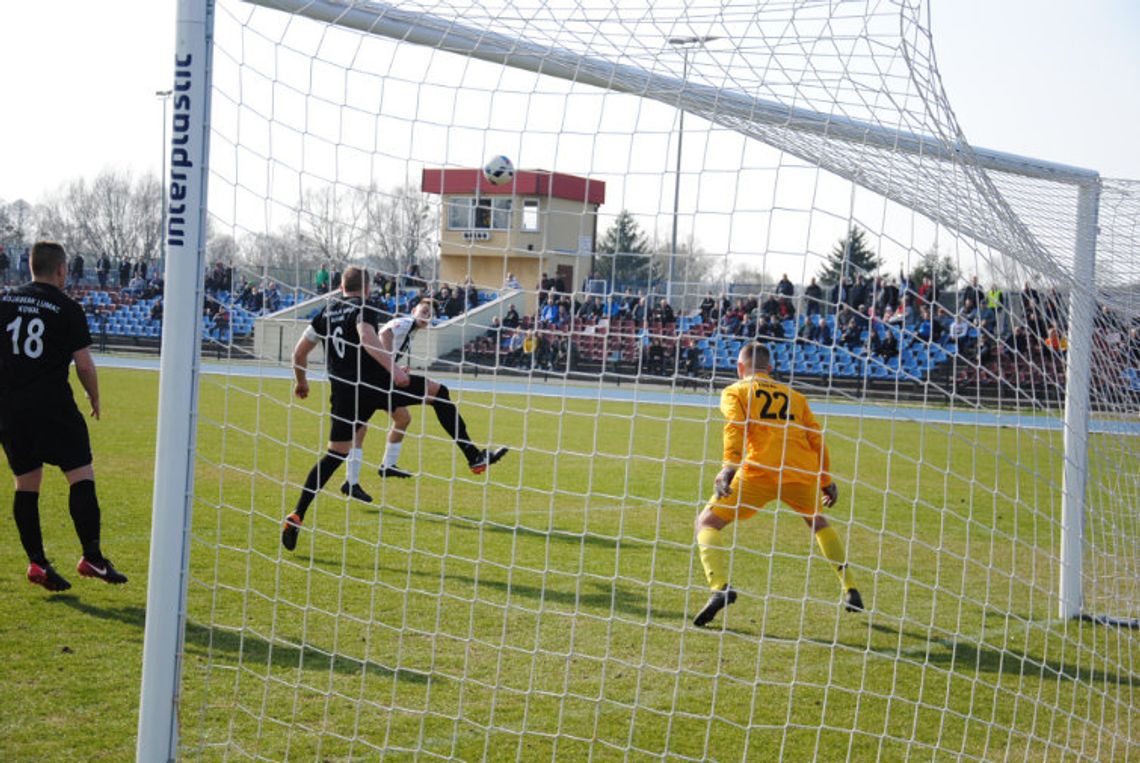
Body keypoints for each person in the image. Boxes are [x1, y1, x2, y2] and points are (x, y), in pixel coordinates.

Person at [281, 277, 507, 550]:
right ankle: (473, 457)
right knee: (440, 394)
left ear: (341, 286)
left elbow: (298, 353)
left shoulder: (325, 312)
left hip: (344, 393)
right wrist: (394, 369)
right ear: (365, 288)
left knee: (335, 455)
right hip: (377, 384)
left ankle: (298, 513)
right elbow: (371, 337)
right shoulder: (364, 306)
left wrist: (301, 381)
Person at [692, 342, 861, 626]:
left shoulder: (736, 390)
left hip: (761, 470)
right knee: (818, 522)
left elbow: (734, 427)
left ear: (740, 367)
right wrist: (826, 480)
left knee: (707, 523)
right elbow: (816, 439)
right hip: (800, 470)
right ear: (770, 369)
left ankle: (719, 587)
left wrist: (728, 469)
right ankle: (850, 588)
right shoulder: (796, 396)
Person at [0, 241, 128, 590]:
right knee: (81, 475)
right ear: (60, 269)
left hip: (9, 408)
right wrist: (95, 397)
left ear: (30, 267)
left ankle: (37, 563)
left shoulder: (5, 301)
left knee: (26, 484)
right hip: (52, 406)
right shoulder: (66, 307)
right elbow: (83, 363)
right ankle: (93, 558)